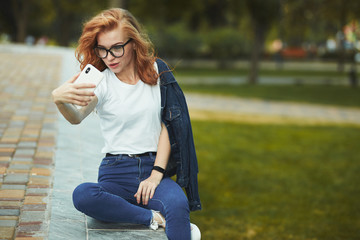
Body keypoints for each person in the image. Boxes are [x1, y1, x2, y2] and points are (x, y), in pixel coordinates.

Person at [51, 8, 201, 240]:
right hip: (115, 171)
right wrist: (59, 100)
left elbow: (168, 127)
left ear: (134, 43)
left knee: (178, 205)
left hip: (153, 167)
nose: (109, 56)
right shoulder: (101, 82)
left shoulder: (157, 72)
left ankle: (148, 215)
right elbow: (76, 117)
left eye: (117, 48)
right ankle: (152, 218)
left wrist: (155, 175)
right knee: (83, 195)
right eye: (102, 49)